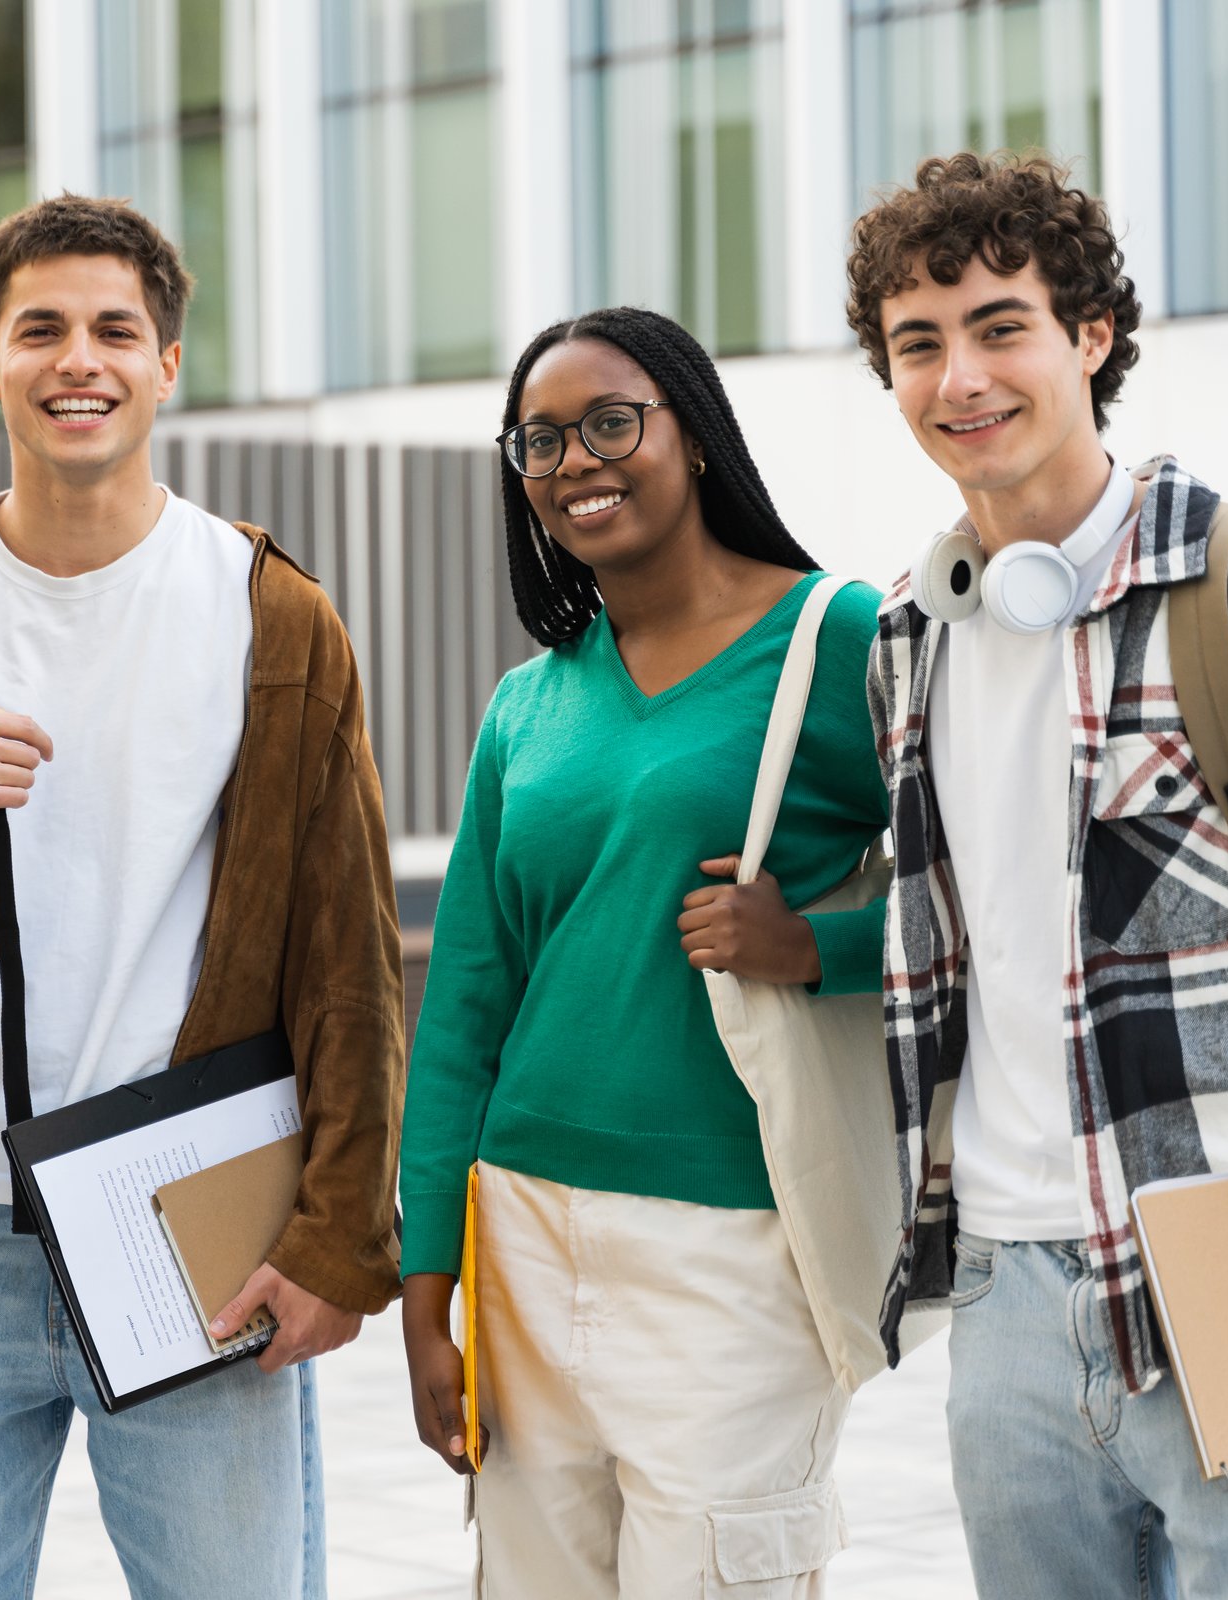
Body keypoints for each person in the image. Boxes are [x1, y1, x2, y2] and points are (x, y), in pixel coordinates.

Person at [850, 153, 1228, 1597]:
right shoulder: (910, 636)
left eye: (1001, 325)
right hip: (1008, 1297)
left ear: (1090, 336)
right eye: (918, 342)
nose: (960, 377)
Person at [0, 195, 405, 1599]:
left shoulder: (268, 613)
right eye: (40, 329)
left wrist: (341, 1238)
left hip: (194, 1218)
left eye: (116, 329)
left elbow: (346, 954)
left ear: (168, 362)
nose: (81, 360)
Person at [398, 306, 889, 1599]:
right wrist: (424, 1285)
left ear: (699, 437)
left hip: (732, 1243)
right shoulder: (530, 700)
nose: (576, 461)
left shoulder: (842, 643)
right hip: (519, 1227)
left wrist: (814, 949)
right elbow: (464, 1004)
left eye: (613, 422)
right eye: (541, 441)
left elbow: (1000, 909)